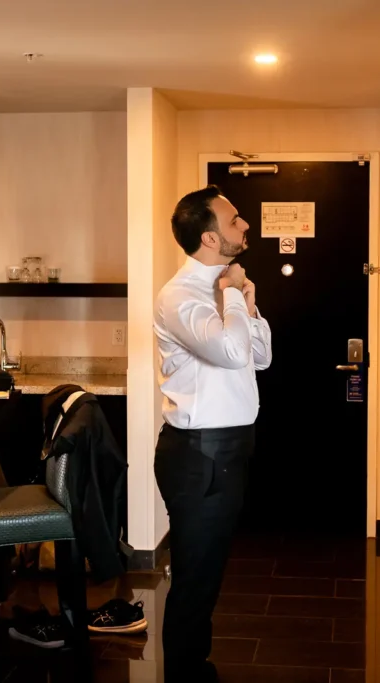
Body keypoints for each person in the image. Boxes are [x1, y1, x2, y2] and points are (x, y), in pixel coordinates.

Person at [153, 185, 273, 682]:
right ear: (208, 238)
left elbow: (259, 356)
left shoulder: (226, 291)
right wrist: (233, 295)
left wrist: (247, 301)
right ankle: (185, 675)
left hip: (228, 449)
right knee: (194, 578)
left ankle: (194, 668)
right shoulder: (181, 296)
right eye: (234, 220)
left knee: (207, 573)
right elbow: (230, 352)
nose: (245, 225)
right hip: (199, 454)